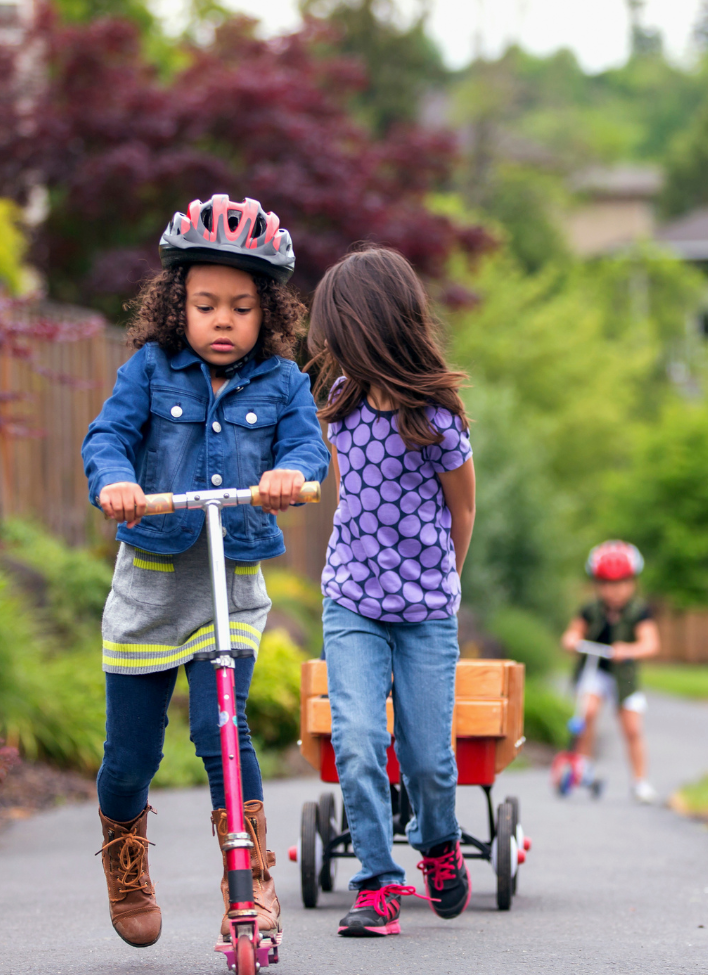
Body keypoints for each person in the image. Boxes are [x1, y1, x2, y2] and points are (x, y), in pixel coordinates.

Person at [81, 195, 329, 948]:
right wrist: (115, 482)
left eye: (243, 308)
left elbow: (308, 449)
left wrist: (291, 471)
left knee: (227, 732)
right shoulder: (148, 371)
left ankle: (248, 882)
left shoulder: (284, 383)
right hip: (151, 584)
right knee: (132, 756)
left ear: (268, 314)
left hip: (229, 585)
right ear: (176, 303)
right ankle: (126, 861)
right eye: (206, 304)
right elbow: (108, 438)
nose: (224, 320)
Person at [307, 246, 476, 937]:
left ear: (370, 324)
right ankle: (378, 881)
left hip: (426, 610)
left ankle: (439, 842)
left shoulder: (436, 420)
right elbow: (351, 492)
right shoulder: (340, 406)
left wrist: (445, 581)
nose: (324, 341)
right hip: (352, 600)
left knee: (431, 758)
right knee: (355, 738)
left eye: (334, 325)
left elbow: (462, 509)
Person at [561, 541, 661, 803]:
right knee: (587, 713)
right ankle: (583, 766)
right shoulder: (591, 609)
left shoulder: (639, 611)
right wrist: (572, 639)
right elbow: (573, 632)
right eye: (606, 583)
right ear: (597, 584)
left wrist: (628, 650)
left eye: (620, 583)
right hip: (596, 671)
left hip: (623, 677)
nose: (613, 590)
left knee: (632, 728)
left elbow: (650, 643)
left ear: (632, 583)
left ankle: (640, 781)